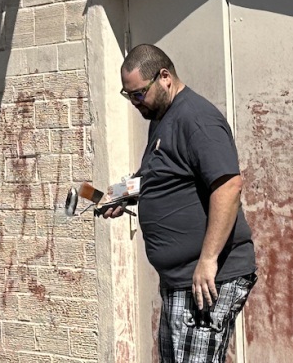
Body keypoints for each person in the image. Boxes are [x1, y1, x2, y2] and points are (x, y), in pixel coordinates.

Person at [107, 45, 258, 363]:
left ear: (164, 77)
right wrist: (120, 193)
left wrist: (208, 260)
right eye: (129, 95)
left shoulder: (196, 118)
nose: (135, 104)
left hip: (207, 279)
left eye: (138, 94)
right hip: (179, 279)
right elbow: (156, 174)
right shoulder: (161, 118)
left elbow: (228, 186)